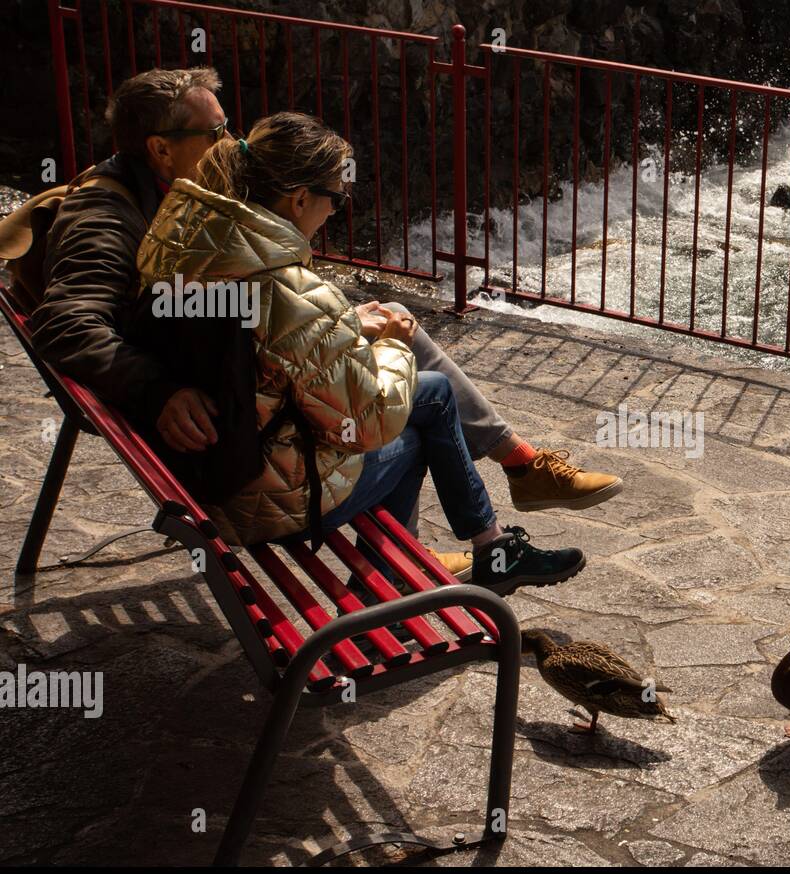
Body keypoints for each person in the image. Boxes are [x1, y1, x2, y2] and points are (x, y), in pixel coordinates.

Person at [27, 67, 621, 576]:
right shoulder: (111, 214)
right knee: (420, 397)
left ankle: (510, 467)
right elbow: (65, 321)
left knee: (398, 338)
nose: (231, 141)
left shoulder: (183, 223)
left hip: (227, 423)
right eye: (216, 132)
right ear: (160, 148)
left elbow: (234, 320)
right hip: (234, 459)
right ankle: (443, 548)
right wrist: (160, 389)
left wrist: (332, 330)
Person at [134, 110, 585, 596]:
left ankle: (481, 546)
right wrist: (391, 339)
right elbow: (368, 422)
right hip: (262, 500)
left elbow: (256, 351)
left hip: (201, 467)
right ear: (300, 197)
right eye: (335, 199)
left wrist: (344, 326)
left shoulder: (181, 245)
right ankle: (409, 580)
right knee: (423, 413)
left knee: (428, 395)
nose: (334, 212)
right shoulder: (284, 287)